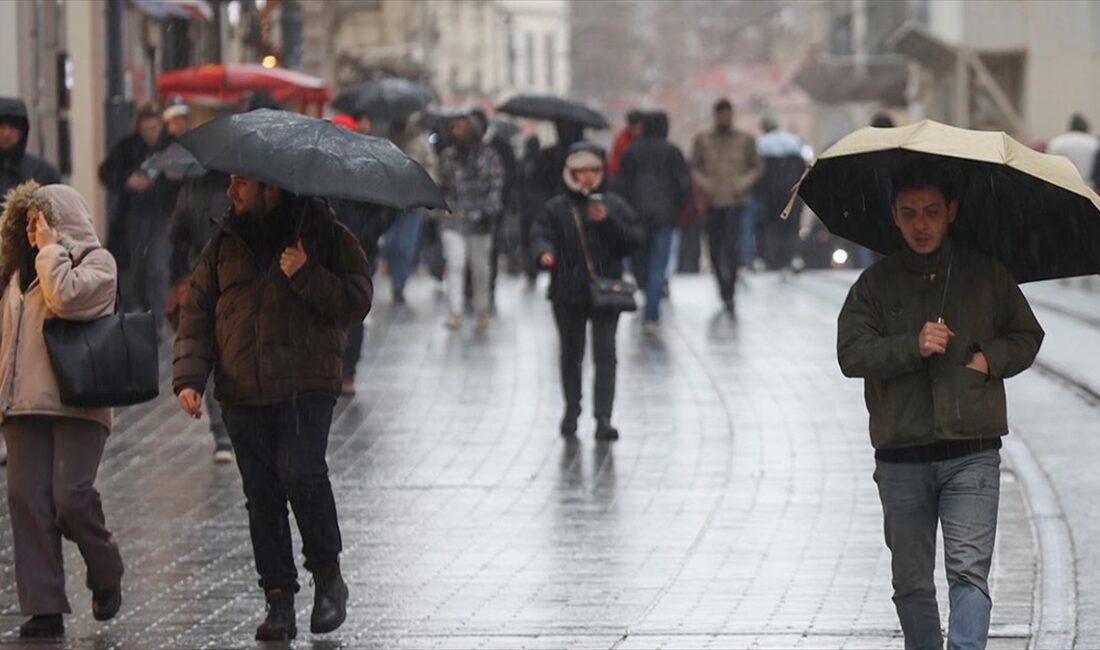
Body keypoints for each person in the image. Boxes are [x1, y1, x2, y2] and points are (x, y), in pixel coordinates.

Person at [837, 158, 1044, 650]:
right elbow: (851, 353)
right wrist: (912, 344)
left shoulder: (985, 274)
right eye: (909, 214)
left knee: (968, 572)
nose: (921, 224)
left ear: (951, 211)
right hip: (901, 455)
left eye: (931, 211)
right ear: (893, 215)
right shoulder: (875, 284)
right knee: (910, 582)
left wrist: (988, 360)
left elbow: (1026, 335)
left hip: (971, 451)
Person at [173, 175, 372, 640]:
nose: (231, 191)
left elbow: (356, 300)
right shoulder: (224, 242)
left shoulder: (325, 232)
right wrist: (189, 378)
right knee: (262, 495)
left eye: (241, 182)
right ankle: (279, 598)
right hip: (243, 387)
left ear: (272, 188)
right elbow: (198, 310)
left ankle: (328, 579)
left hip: (306, 382)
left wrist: (305, 272)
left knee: (302, 474)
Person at [0, 181, 124, 639]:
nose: (33, 231)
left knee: (70, 499)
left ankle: (106, 567)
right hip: (23, 406)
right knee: (27, 503)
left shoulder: (98, 263)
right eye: (28, 222)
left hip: (78, 401)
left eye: (41, 220)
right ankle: (44, 607)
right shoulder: (16, 273)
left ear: (63, 219)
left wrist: (52, 252)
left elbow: (68, 299)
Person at [531, 143, 641, 440]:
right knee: (571, 352)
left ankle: (603, 416)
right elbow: (541, 234)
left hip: (606, 291)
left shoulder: (614, 205)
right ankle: (572, 408)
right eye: (581, 172)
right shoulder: (556, 208)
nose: (588, 178)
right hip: (568, 291)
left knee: (605, 354)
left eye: (594, 171)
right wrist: (544, 254)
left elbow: (632, 240)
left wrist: (608, 222)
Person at [167, 170, 233, 462]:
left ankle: (221, 433)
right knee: (232, 348)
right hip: (236, 276)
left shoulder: (192, 186)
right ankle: (231, 426)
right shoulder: (249, 183)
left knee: (211, 346)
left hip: (201, 270)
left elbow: (176, 232)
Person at [613, 111, 691, 334]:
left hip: (638, 216)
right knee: (659, 264)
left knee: (642, 262)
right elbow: (684, 184)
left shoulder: (631, 152)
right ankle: (651, 314)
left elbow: (621, 185)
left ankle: (648, 296)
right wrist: (675, 207)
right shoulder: (672, 153)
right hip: (664, 217)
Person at [98, 103, 170, 323]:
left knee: (157, 269)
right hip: (131, 217)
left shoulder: (170, 148)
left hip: (161, 216)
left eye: (154, 128)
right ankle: (131, 316)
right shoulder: (126, 148)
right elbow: (107, 172)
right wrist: (128, 180)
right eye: (146, 128)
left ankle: (155, 320)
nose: (151, 133)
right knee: (132, 269)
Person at [690, 98, 760, 315]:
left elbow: (755, 167)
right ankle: (723, 286)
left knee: (732, 247)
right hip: (712, 203)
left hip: (736, 202)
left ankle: (730, 290)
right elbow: (694, 166)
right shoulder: (703, 140)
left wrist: (743, 183)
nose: (724, 118)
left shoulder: (744, 140)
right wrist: (705, 184)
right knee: (714, 248)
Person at [437, 114, 504, 331]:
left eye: (461, 127)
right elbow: (442, 185)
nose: (457, 132)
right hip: (454, 219)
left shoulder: (489, 156)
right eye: (454, 127)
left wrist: (488, 211)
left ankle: (482, 310)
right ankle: (455, 311)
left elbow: (495, 185)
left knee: (480, 269)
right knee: (455, 264)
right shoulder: (448, 156)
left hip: (479, 221)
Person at [385, 116, 438, 304]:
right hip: (390, 200)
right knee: (390, 243)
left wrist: (422, 185)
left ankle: (399, 284)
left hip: (412, 202)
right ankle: (394, 277)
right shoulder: (388, 139)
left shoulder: (420, 141)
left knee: (404, 246)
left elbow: (431, 167)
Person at [754, 112, 808, 273]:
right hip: (791, 192)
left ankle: (765, 258)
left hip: (768, 194)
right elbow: (805, 164)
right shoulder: (795, 141)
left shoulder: (760, 144)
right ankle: (792, 257)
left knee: (765, 226)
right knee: (792, 226)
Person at [1, 97, 61, 198]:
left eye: (12, 127)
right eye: (1, 127)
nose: (6, 133)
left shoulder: (43, 172)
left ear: (22, 130)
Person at [1048, 113, 1098, 190]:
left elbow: (1050, 166)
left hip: (1064, 185)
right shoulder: (1094, 143)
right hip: (1088, 186)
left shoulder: (1057, 142)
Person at [608, 109, 644, 180]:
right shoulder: (622, 139)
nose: (637, 132)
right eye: (634, 128)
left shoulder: (647, 139)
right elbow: (615, 161)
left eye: (640, 129)